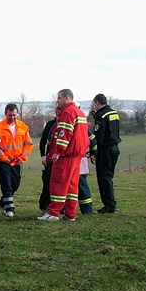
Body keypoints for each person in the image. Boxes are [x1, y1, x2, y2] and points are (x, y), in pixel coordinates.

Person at [38, 89, 89, 221]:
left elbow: (64, 134)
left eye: (59, 98)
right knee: (72, 185)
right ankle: (70, 213)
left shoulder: (68, 112)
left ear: (67, 98)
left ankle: (53, 212)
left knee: (58, 182)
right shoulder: (80, 112)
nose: (57, 101)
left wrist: (58, 152)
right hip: (77, 155)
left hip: (66, 155)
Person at [0, 103, 34, 218]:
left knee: (15, 184)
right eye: (10, 115)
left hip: (17, 161)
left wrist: (22, 158)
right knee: (6, 184)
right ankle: (10, 209)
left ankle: (2, 203)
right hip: (2, 161)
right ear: (5, 114)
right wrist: (4, 158)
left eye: (14, 115)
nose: (12, 117)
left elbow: (28, 144)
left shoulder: (23, 127)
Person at [90, 93, 122, 214]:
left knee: (104, 178)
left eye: (95, 104)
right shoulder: (114, 113)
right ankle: (110, 204)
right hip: (115, 148)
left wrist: (94, 151)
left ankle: (109, 206)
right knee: (109, 176)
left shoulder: (101, 116)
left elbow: (99, 134)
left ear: (97, 103)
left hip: (105, 150)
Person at [38, 106, 60, 212]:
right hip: (50, 157)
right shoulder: (51, 124)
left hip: (60, 158)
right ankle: (45, 204)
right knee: (47, 180)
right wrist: (43, 155)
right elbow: (43, 141)